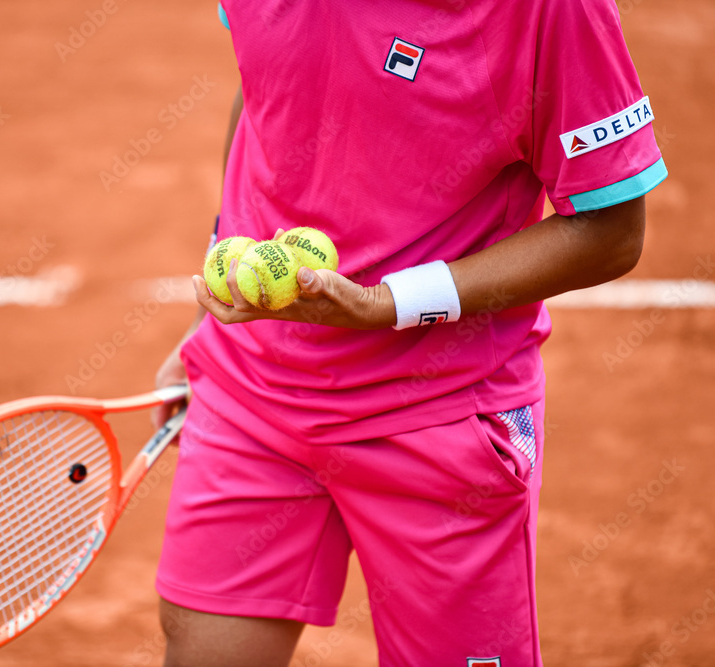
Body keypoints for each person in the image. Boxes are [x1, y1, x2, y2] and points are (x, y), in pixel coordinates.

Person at [152, 1, 666, 665]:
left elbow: (611, 230)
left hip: (440, 416)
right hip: (250, 392)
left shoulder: (550, 11)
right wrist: (207, 321)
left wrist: (390, 304)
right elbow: (264, 92)